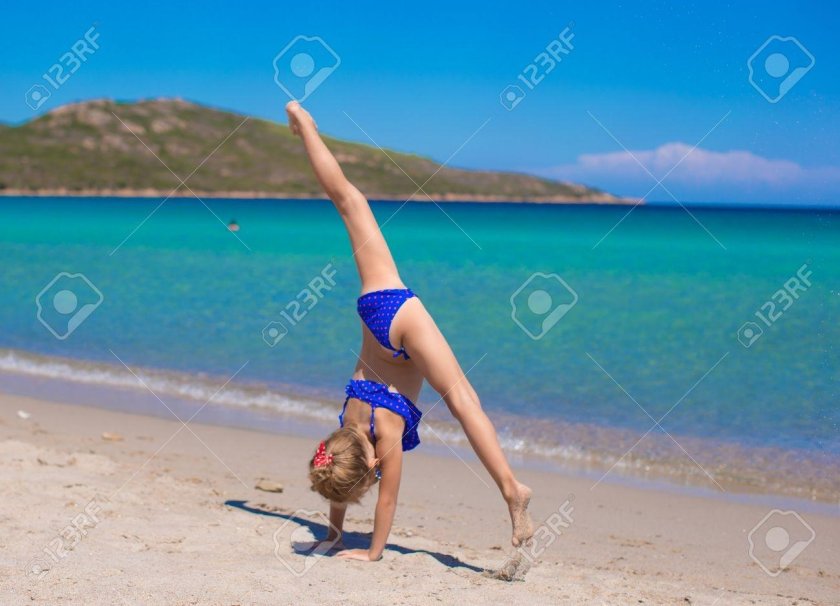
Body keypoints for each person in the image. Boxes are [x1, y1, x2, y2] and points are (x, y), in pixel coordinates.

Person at [286, 101, 533, 562]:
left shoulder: (385, 439)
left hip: (401, 331)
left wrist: (371, 552)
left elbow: (387, 500)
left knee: (462, 401)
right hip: (378, 309)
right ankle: (307, 129)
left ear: (371, 465)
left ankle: (512, 489)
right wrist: (334, 534)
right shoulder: (346, 428)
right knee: (348, 203)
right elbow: (338, 470)